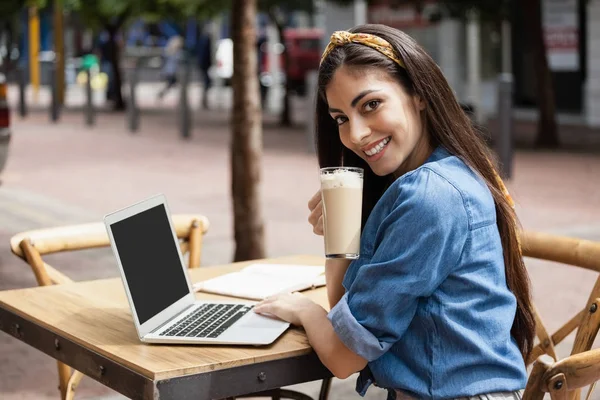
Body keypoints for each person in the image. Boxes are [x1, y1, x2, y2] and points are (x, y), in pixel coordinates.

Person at [253, 24, 535, 400]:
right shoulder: (438, 174)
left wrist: (304, 310)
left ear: (418, 93)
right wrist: (342, 233)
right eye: (340, 118)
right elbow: (351, 322)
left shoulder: (430, 198)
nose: (356, 135)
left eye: (371, 105)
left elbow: (344, 356)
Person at [157, 35, 183, 100]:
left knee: (172, 85)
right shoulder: (177, 53)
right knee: (172, 84)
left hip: (169, 71)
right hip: (171, 72)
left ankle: (162, 94)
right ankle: (161, 94)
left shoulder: (167, 51)